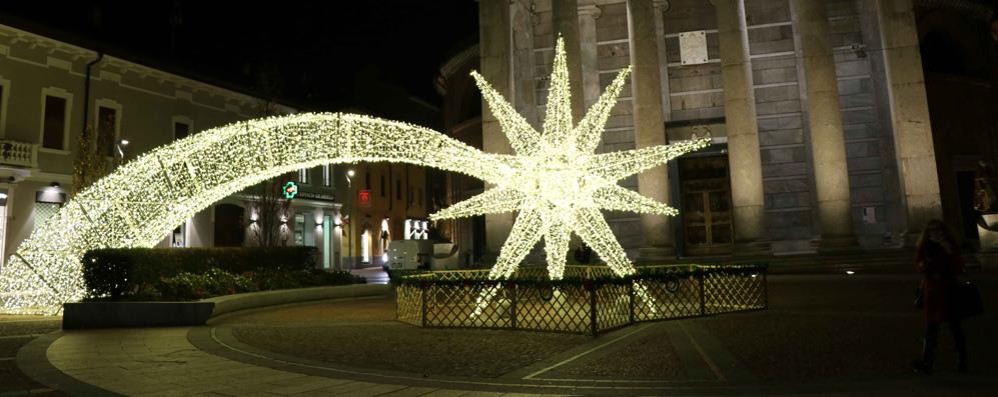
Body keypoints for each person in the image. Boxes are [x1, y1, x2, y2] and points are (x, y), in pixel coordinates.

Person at [911, 219, 967, 375]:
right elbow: (920, 266)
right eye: (932, 230)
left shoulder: (950, 245)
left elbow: (957, 267)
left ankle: (962, 360)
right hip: (933, 291)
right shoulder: (925, 246)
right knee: (931, 329)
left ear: (944, 231)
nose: (936, 232)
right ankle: (927, 362)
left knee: (956, 328)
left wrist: (948, 252)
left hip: (949, 290)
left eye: (938, 229)